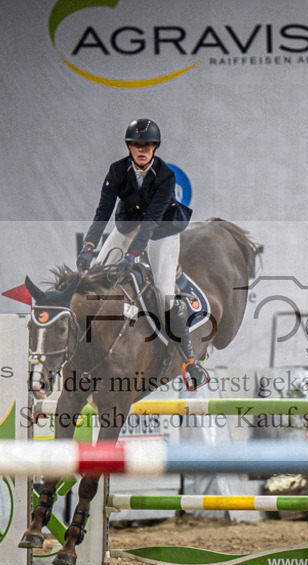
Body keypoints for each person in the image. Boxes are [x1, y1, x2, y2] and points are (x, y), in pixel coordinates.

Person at [76, 118, 209, 390]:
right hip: (126, 226)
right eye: (137, 144)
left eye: (146, 145)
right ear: (129, 146)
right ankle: (84, 347)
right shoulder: (116, 171)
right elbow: (102, 213)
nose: (142, 149)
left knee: (164, 294)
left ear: (154, 148)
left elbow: (150, 221)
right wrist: (89, 246)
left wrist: (132, 255)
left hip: (161, 229)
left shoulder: (166, 176)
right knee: (96, 280)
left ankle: (189, 360)